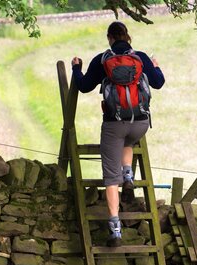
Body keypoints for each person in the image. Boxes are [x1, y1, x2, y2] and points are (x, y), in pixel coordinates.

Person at [71, 21, 165, 245]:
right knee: (128, 141)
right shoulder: (140, 57)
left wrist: (76, 68)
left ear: (109, 38)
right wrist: (156, 66)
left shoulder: (102, 60)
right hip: (140, 123)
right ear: (127, 36)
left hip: (114, 124)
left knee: (111, 179)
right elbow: (159, 82)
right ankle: (129, 176)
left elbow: (83, 86)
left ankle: (115, 231)